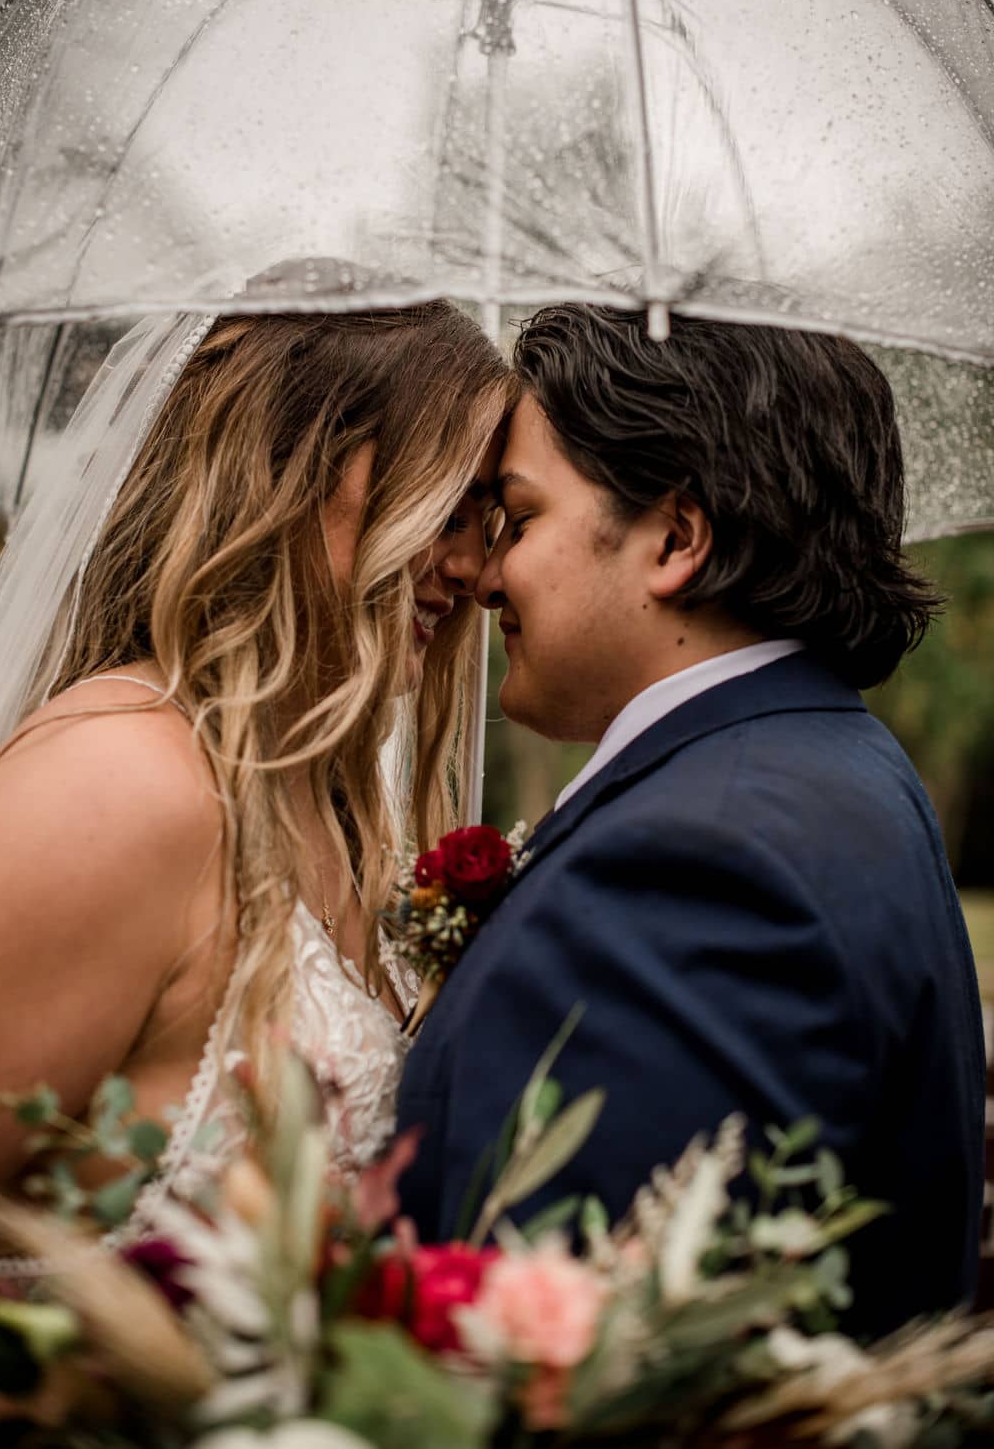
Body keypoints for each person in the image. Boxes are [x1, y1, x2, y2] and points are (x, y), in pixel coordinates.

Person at [396, 304, 985, 1338]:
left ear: (674, 536)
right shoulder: (822, 761)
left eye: (519, 519)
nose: (486, 575)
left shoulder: (695, 866)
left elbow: (580, 1360)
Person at [0, 300, 513, 1301]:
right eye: (446, 502)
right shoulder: (116, 786)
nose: (474, 567)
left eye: (491, 518)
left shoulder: (345, 803)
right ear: (290, 465)